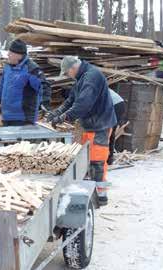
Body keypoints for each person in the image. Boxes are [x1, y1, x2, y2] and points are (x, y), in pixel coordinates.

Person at [46, 56, 117, 205]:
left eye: (67, 73)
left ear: (73, 68)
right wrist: (56, 113)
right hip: (91, 124)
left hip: (100, 125)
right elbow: (71, 100)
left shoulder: (91, 77)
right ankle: (91, 190)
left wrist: (64, 117)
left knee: (97, 161)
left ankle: (100, 196)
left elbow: (83, 104)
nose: (67, 76)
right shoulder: (82, 78)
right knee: (87, 159)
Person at [0, 39, 51, 126]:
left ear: (19, 55)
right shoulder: (7, 67)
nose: (8, 54)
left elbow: (44, 86)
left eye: (11, 53)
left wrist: (44, 104)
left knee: (22, 140)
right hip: (6, 116)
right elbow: (2, 86)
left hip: (24, 118)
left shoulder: (31, 69)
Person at [107, 88, 127, 165]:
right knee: (109, 132)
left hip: (116, 105)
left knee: (108, 132)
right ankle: (108, 159)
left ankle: (107, 159)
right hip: (118, 104)